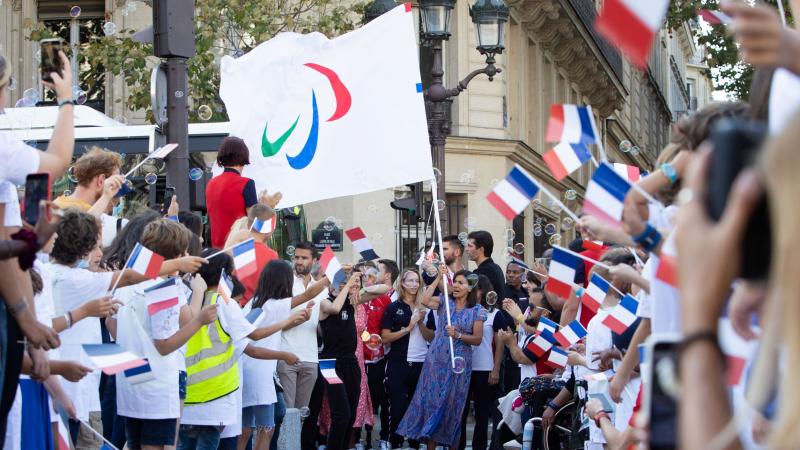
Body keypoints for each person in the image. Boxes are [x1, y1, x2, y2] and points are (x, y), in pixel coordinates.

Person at [46, 210, 204, 447]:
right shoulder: (80, 280)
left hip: (117, 384)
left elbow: (113, 325)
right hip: (100, 385)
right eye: (96, 247)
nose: (101, 253)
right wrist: (201, 315)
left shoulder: (51, 273)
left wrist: (134, 372)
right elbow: (163, 344)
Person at [110, 219, 213, 450]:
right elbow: (164, 345)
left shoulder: (127, 281)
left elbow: (111, 323)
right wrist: (200, 320)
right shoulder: (163, 288)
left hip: (132, 380)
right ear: (177, 254)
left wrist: (136, 348)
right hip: (158, 386)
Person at [397, 269, 485, 449]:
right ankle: (430, 445)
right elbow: (424, 300)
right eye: (455, 282)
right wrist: (439, 277)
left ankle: (451, 444)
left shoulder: (477, 310)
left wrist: (459, 335)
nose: (457, 286)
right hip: (436, 359)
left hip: (459, 361)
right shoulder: (445, 301)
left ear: (470, 287)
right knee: (432, 401)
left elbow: (477, 339)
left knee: (454, 404)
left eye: (462, 283)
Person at [240, 259, 322, 450]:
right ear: (282, 281)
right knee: (266, 428)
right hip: (260, 374)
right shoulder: (275, 304)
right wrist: (332, 277)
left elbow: (269, 330)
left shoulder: (256, 302)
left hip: (248, 370)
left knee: (246, 428)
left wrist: (298, 318)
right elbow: (309, 293)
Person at [301, 272, 367, 450]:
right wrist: (347, 285)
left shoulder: (351, 301)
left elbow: (382, 289)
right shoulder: (325, 303)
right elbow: (335, 309)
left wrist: (358, 283)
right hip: (329, 363)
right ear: (329, 286)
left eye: (343, 283)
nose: (340, 286)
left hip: (351, 362)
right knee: (341, 414)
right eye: (337, 283)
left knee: (351, 414)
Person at [459, 274, 511, 450]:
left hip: (484, 368)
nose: (475, 290)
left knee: (482, 413)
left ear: (485, 290)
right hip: (462, 368)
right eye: (472, 286)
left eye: (478, 287)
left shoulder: (494, 314)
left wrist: (495, 369)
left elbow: (500, 344)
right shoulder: (463, 309)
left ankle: (479, 447)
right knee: (461, 411)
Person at [278, 242, 329, 409]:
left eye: (304, 258)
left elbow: (323, 322)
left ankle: (298, 437)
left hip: (311, 357)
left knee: (301, 414)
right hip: (286, 355)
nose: (299, 261)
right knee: (287, 414)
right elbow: (274, 323)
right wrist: (297, 319)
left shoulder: (322, 289)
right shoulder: (284, 284)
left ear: (314, 261)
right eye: (297, 257)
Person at [381, 269, 428, 449]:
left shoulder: (425, 308)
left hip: (421, 363)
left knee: (417, 406)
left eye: (417, 281)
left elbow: (431, 337)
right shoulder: (394, 307)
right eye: (410, 281)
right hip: (398, 363)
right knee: (398, 407)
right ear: (402, 283)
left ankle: (415, 442)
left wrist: (420, 322)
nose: (414, 284)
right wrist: (408, 327)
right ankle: (396, 441)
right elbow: (385, 337)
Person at [206, 137, 281, 248]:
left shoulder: (211, 184)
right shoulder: (246, 183)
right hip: (240, 249)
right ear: (244, 155)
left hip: (216, 251)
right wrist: (268, 207)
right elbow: (255, 226)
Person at [53, 147, 124, 212]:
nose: (117, 188)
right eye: (115, 181)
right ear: (101, 180)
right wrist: (105, 197)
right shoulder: (84, 214)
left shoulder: (56, 204)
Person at [236, 204, 279, 303]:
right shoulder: (271, 256)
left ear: (248, 225)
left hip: (235, 308)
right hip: (257, 311)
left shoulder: (236, 249)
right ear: (269, 229)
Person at [467, 231, 506, 299]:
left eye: (470, 246)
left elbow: (467, 294)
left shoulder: (483, 272)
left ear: (481, 249)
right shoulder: (495, 267)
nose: (466, 249)